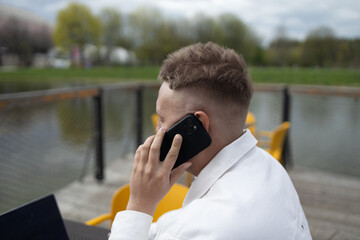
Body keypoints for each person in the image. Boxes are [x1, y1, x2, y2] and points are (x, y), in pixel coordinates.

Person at [109, 42, 312, 239]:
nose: (157, 130)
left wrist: (139, 205)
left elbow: (188, 230)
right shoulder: (271, 169)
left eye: (162, 119)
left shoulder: (201, 226)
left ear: (198, 126)